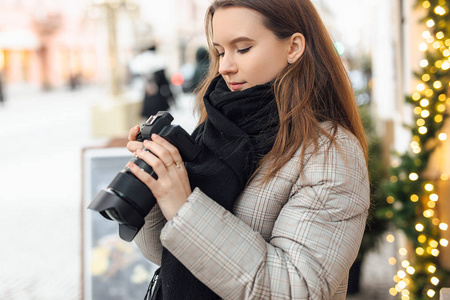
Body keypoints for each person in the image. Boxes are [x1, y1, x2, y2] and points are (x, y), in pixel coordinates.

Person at [126, 0, 370, 299]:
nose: (226, 66)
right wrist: (154, 184)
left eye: (242, 48)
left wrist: (183, 208)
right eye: (220, 51)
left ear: (293, 47)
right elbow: (163, 253)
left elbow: (298, 289)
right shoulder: (214, 128)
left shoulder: (329, 153)